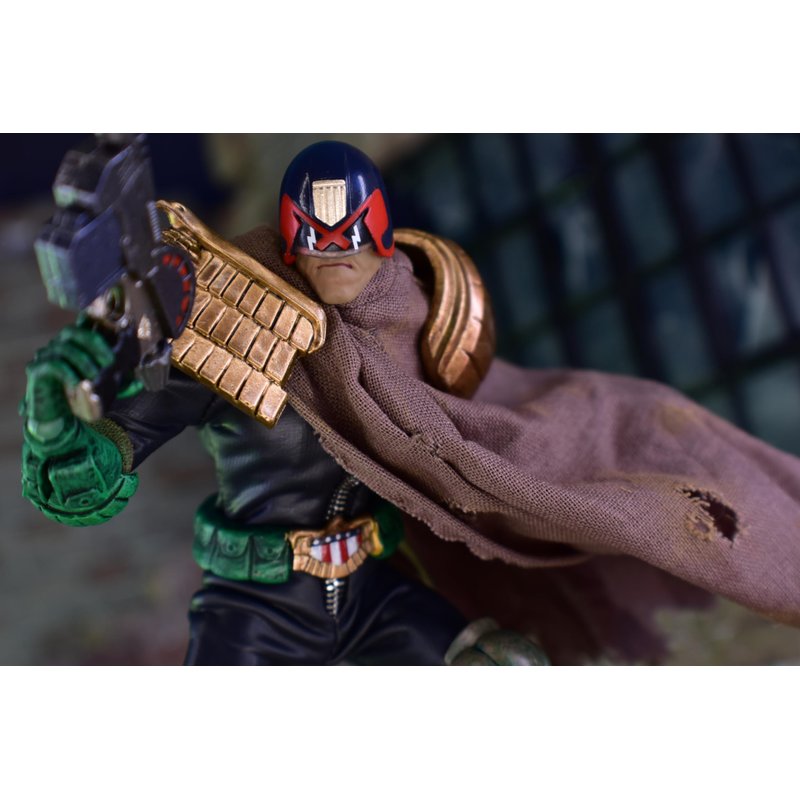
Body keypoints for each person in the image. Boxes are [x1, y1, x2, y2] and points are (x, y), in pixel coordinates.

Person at [22, 140, 800, 665]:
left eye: (355, 239)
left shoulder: (410, 325)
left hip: (377, 585)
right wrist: (59, 421)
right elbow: (101, 465)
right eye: (321, 243)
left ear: (383, 237)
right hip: (256, 602)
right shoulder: (228, 337)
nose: (340, 258)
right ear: (292, 244)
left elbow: (488, 420)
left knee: (503, 669)